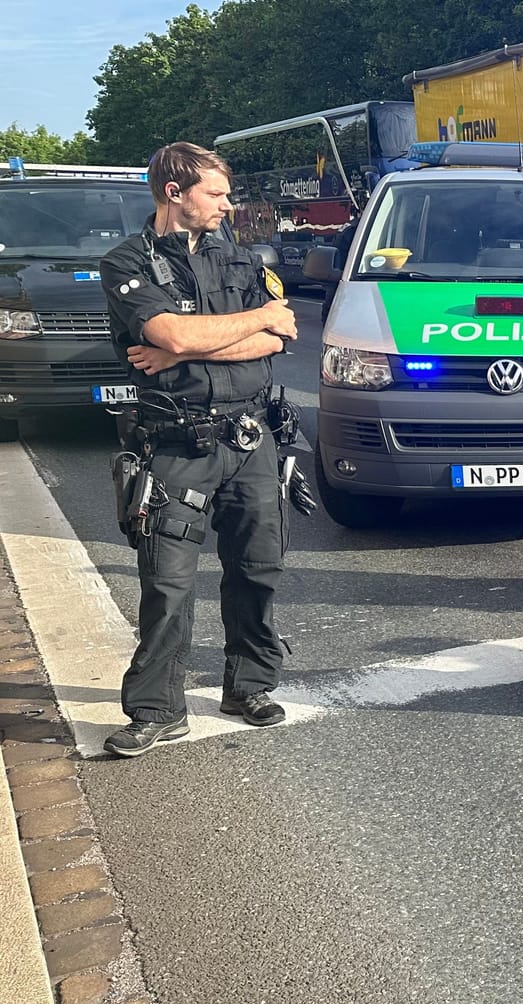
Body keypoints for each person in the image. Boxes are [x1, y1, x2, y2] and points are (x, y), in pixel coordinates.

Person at [97, 142, 304, 758]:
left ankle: (249, 687)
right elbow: (171, 331)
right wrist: (224, 330)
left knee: (258, 570)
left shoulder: (240, 258)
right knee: (167, 585)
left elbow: (282, 333)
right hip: (176, 443)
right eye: (216, 194)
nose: (227, 204)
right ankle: (158, 709)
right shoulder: (125, 262)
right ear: (174, 193)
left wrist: (187, 349)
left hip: (251, 438)